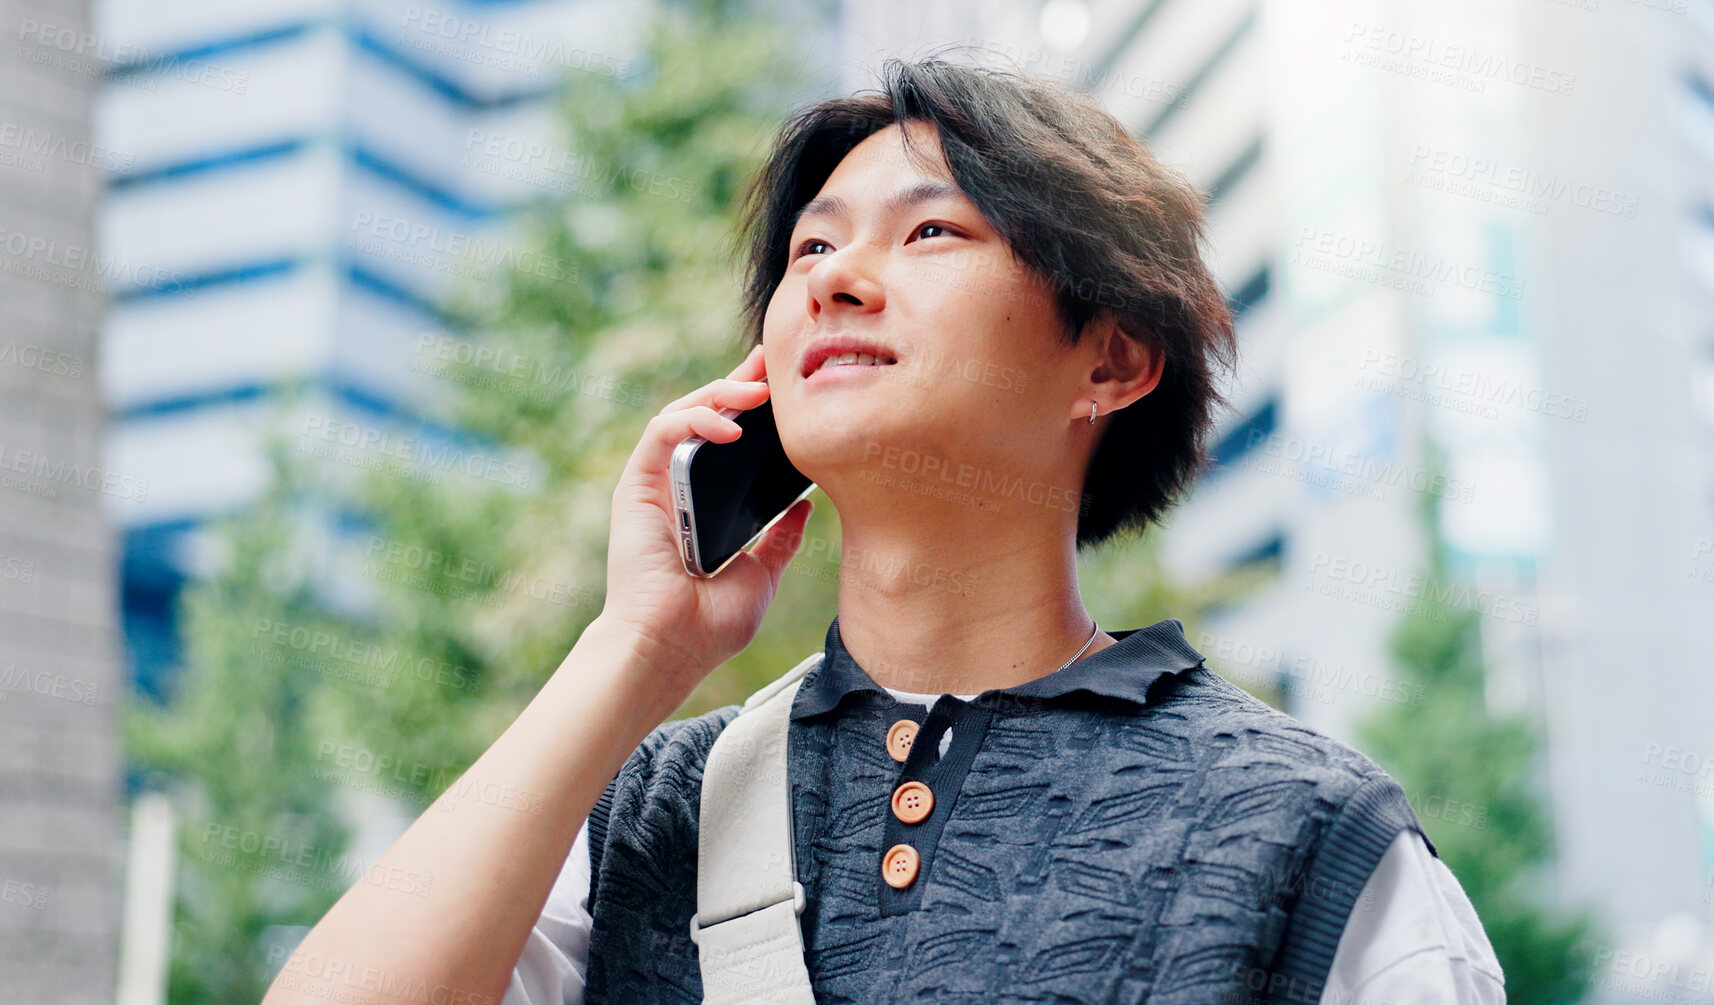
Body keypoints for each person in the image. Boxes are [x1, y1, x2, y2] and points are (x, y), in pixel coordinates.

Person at [263, 58, 1504, 1005]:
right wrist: (633, 650)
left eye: (929, 232)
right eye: (810, 248)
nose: (832, 279)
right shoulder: (654, 806)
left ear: (1112, 358)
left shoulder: (1302, 830)